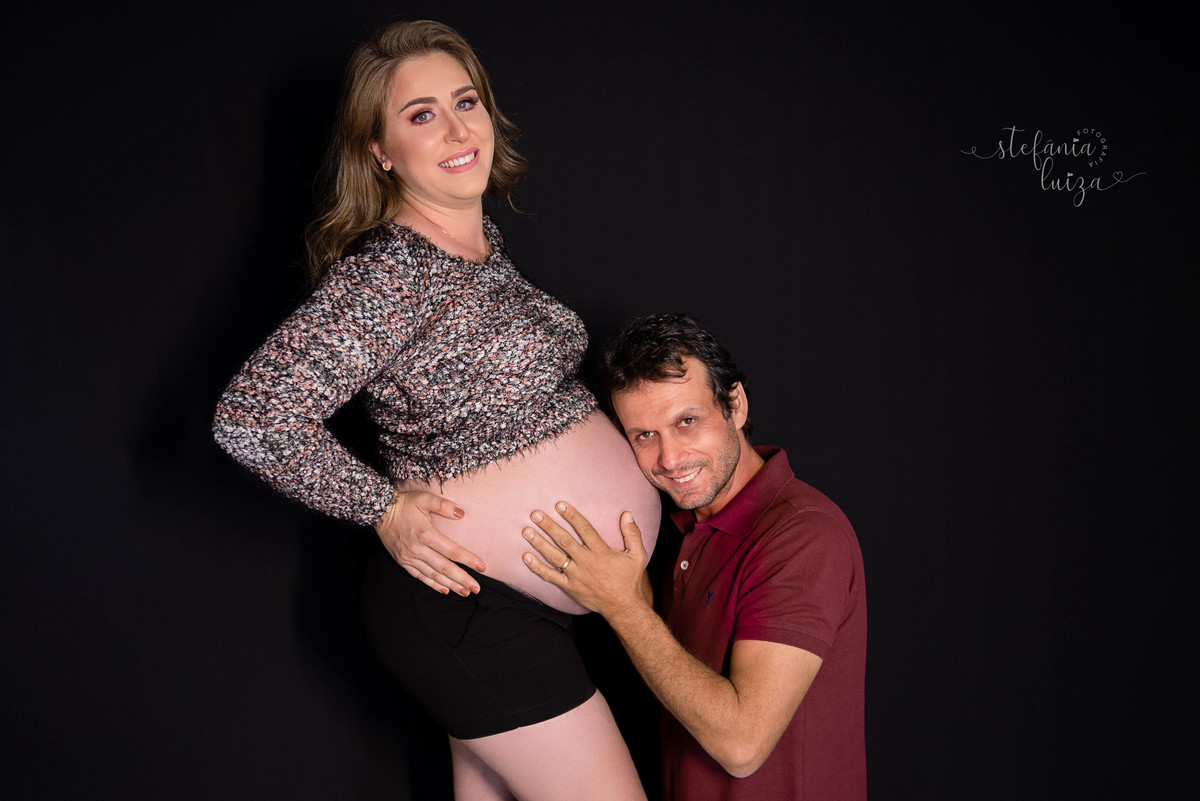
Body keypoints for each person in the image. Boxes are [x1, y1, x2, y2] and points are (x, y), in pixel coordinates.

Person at [212, 20, 659, 801]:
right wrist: (382, 507)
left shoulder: (480, 244)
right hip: (468, 610)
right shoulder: (393, 272)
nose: (456, 129)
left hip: (506, 607)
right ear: (380, 151)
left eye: (466, 101)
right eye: (421, 114)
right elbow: (252, 417)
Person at [520, 313, 867, 801]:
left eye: (687, 422)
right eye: (644, 435)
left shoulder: (804, 534)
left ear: (735, 405)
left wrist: (622, 606)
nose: (669, 459)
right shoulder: (688, 527)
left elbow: (741, 745)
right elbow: (679, 670)